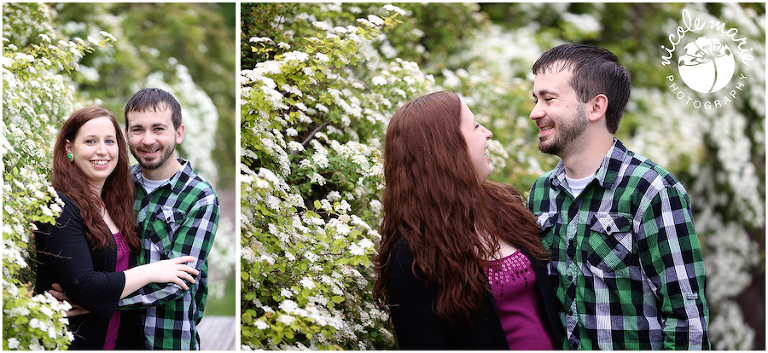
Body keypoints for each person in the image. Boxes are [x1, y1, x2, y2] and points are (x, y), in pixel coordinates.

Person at [527, 44, 710, 350]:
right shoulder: (541, 192)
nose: (535, 112)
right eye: (535, 100)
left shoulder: (652, 190)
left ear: (596, 107)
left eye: (548, 99)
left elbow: (686, 319)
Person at [373, 91, 564, 349]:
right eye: (475, 126)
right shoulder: (413, 255)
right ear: (446, 147)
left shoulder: (503, 207)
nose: (488, 133)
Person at [34, 106, 200, 350]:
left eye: (109, 141)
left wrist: (104, 298)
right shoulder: (58, 206)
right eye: (90, 141)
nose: (102, 151)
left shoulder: (114, 204)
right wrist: (150, 271)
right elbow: (86, 287)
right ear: (69, 148)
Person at [115, 88, 220, 350]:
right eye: (137, 129)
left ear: (179, 133)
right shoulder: (117, 185)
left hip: (166, 338)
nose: (147, 140)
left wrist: (99, 300)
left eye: (158, 129)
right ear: (127, 134)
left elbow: (178, 282)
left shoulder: (200, 197)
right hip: (113, 336)